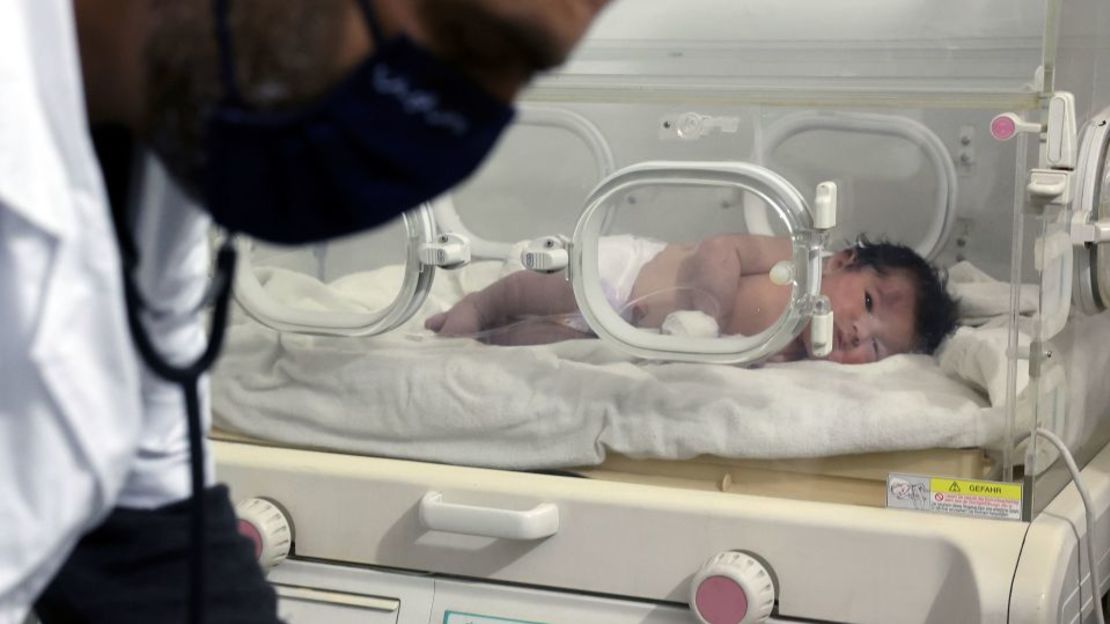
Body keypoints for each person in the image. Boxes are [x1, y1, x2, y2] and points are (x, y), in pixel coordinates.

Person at [1, 1, 610, 623]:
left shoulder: (153, 167)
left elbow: (148, 538)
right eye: (464, 40)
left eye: (521, 73)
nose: (451, 124)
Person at [425, 233, 960, 364]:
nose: (860, 333)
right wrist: (709, 310)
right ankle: (480, 306)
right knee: (540, 288)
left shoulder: (793, 357)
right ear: (841, 260)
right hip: (628, 279)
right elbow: (718, 250)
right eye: (868, 304)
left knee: (543, 344)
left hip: (630, 339)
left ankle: (486, 341)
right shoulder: (791, 260)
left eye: (877, 350)